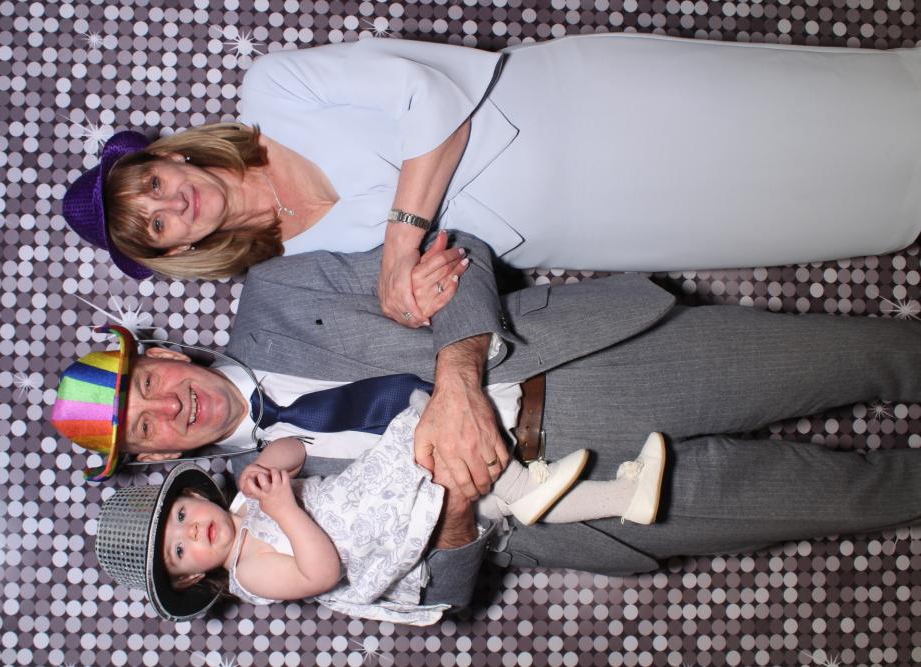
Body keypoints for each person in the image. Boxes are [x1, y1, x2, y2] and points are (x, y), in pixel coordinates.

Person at [52, 231, 921, 611]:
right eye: (144, 430)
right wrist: (459, 511)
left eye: (147, 384)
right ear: (152, 460)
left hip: (598, 364)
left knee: (868, 356)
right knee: (856, 499)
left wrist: (459, 373)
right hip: (585, 508)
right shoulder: (258, 532)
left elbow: (454, 252)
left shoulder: (278, 293)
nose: (168, 407)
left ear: (164, 353)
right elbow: (439, 597)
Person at [62, 34, 921, 325]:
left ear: (169, 155)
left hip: (577, 107)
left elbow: (431, 96)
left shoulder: (272, 92)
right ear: (180, 249)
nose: (169, 202)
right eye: (156, 225)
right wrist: (410, 296)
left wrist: (397, 249)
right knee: (773, 209)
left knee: (785, 113)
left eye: (150, 183)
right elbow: (423, 288)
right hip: (577, 219)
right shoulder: (289, 269)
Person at [91, 402, 666, 624]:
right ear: (191, 578)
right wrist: (284, 509)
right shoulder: (250, 572)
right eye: (181, 549)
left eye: (181, 515)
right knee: (427, 434)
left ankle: (624, 498)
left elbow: (297, 451)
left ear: (195, 496)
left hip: (370, 496)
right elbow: (319, 572)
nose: (193, 529)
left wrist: (266, 464)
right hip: (373, 537)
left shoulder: (246, 498)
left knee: (485, 491)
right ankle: (525, 484)